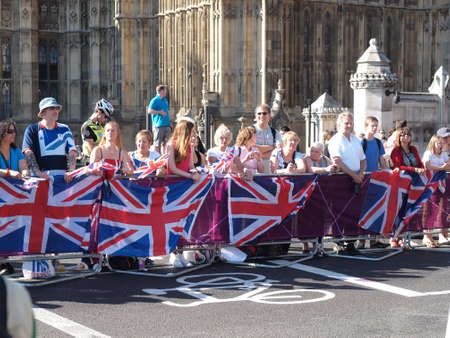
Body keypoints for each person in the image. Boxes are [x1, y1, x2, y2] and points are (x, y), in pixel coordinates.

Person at [328, 112, 366, 255]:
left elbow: (363, 159)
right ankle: (338, 243)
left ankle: (350, 243)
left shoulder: (356, 140)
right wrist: (353, 175)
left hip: (356, 178)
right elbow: (337, 161)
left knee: (353, 211)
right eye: (346, 123)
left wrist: (361, 173)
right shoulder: (335, 140)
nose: (349, 125)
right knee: (340, 210)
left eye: (350, 123)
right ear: (339, 125)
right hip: (341, 179)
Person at [166, 119, 201, 267]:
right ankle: (173, 254)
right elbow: (172, 168)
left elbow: (191, 165)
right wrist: (190, 176)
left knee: (182, 222)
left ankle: (180, 254)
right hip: (172, 187)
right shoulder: (170, 145)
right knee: (172, 222)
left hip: (184, 188)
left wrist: (196, 173)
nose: (194, 135)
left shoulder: (188, 147)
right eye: (192, 132)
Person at [22, 97, 77, 183]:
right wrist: (38, 173)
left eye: (57, 108)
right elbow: (28, 152)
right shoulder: (32, 129)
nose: (56, 111)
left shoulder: (65, 129)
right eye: (52, 108)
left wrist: (71, 171)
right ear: (42, 113)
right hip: (40, 180)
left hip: (62, 180)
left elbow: (72, 152)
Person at [389, 127, 425, 248]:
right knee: (399, 209)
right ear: (399, 137)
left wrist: (421, 169)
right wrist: (414, 169)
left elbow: (420, 163)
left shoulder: (413, 149)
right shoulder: (396, 151)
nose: (406, 137)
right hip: (401, 184)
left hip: (414, 184)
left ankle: (403, 237)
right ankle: (394, 237)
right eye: (403, 135)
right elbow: (399, 166)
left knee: (408, 209)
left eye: (408, 135)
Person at [360, 117, 388, 249]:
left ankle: (373, 240)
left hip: (376, 179)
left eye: (376, 126)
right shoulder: (361, 142)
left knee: (375, 208)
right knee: (362, 209)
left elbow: (381, 160)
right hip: (364, 178)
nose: (375, 128)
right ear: (366, 126)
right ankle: (360, 240)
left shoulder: (378, 142)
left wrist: (388, 172)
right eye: (372, 125)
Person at [421, 135, 450, 247]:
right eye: (439, 143)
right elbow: (428, 166)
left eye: (442, 143)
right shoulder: (428, 153)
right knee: (428, 209)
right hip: (431, 184)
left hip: (442, 184)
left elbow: (449, 165)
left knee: (442, 208)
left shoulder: (443, 154)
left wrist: (441, 167)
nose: (441, 145)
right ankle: (426, 236)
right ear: (433, 143)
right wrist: (442, 168)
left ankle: (440, 234)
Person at [80, 98, 114, 164]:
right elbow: (91, 148)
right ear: (99, 112)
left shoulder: (101, 126)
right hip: (90, 162)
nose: (106, 119)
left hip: (102, 160)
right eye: (105, 117)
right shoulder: (87, 126)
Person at [253, 104, 282, 173]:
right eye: (259, 113)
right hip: (253, 169)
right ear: (255, 115)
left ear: (269, 115)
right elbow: (250, 148)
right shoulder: (250, 131)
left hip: (270, 169)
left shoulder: (275, 132)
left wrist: (259, 154)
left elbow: (278, 151)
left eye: (264, 113)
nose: (261, 116)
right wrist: (271, 147)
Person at [147, 85, 171, 154]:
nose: (166, 92)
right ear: (161, 91)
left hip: (167, 124)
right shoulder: (155, 100)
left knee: (167, 143)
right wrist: (159, 112)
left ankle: (165, 158)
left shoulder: (165, 100)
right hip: (158, 125)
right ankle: (157, 158)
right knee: (157, 144)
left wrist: (169, 122)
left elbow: (167, 111)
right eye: (165, 91)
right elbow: (149, 111)